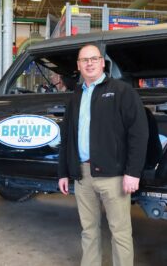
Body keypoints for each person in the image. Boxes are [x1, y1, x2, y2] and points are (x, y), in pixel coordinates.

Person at [58, 44, 149, 266]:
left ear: (102, 63)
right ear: (78, 66)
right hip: (83, 174)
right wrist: (63, 172)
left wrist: (132, 172)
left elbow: (139, 132)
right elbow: (67, 136)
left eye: (94, 59)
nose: (89, 63)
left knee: (120, 232)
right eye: (84, 60)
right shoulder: (76, 96)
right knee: (88, 231)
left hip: (114, 177)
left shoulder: (121, 91)